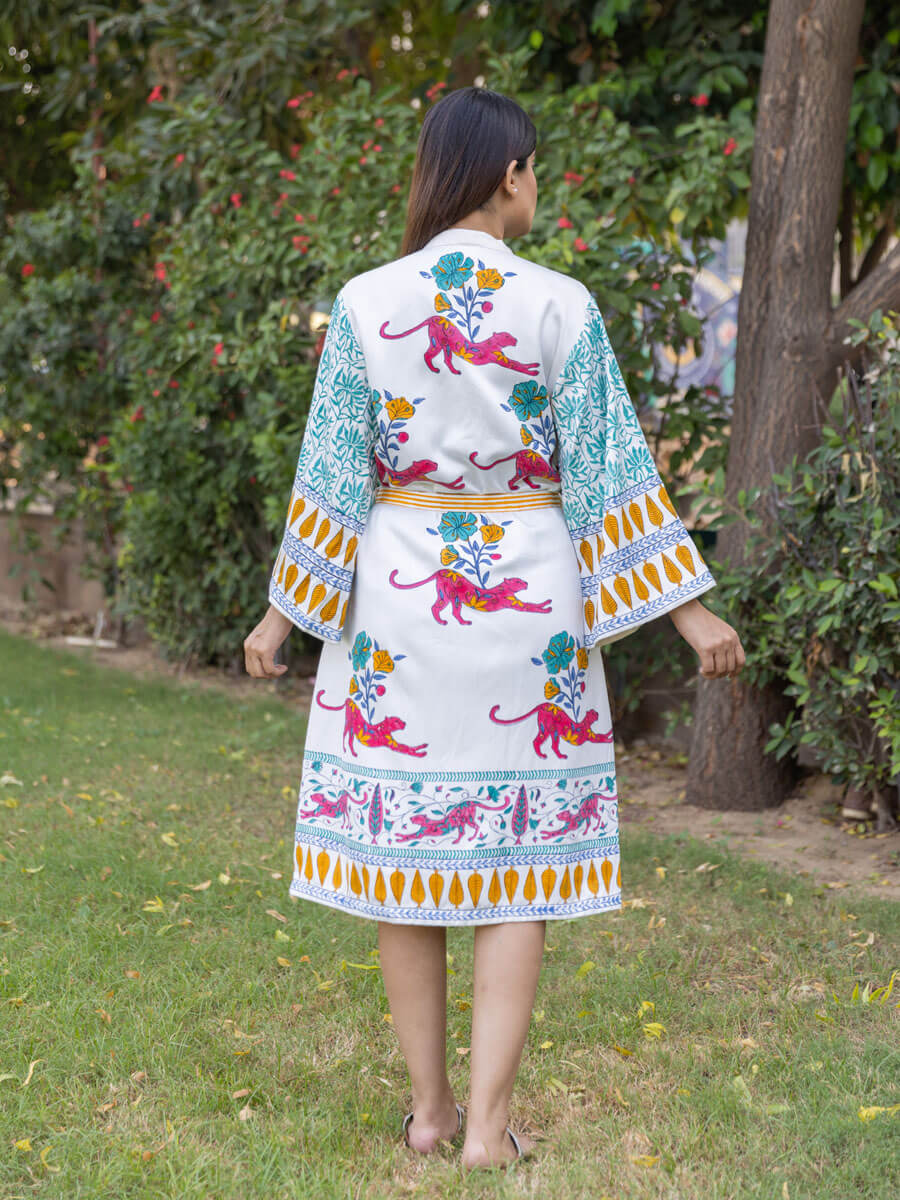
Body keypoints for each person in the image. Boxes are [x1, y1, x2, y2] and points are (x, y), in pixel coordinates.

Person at [244, 85, 745, 1171]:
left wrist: (283, 617)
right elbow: (610, 470)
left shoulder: (366, 302)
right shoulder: (560, 303)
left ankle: (427, 1114)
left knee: (403, 864)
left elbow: (333, 476)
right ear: (509, 173)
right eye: (535, 168)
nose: (537, 185)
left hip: (399, 610)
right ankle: (484, 1132)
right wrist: (691, 609)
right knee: (516, 873)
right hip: (529, 608)